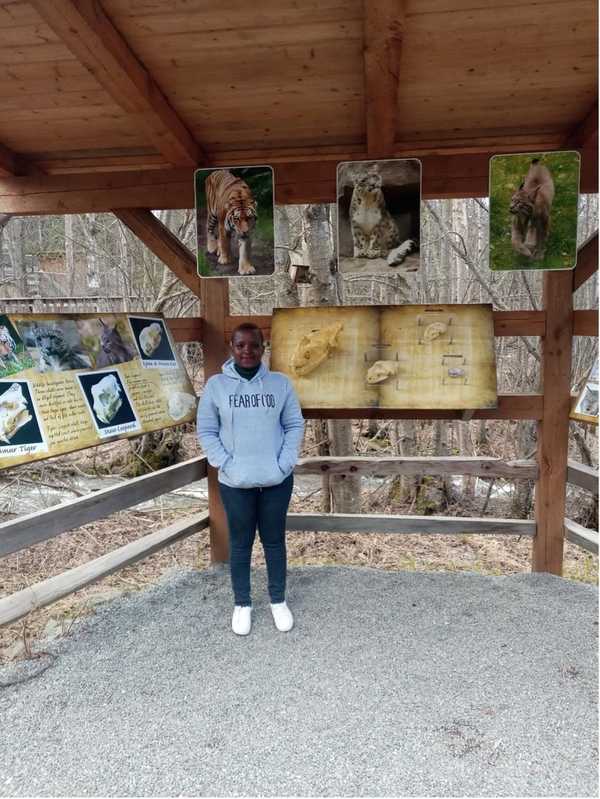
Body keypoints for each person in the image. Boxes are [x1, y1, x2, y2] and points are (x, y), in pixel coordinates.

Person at [197, 322, 304, 636]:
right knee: (241, 544)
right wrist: (224, 463)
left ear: (263, 348)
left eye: (254, 346)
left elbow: (295, 424)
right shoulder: (217, 386)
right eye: (241, 345)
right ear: (232, 347)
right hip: (235, 482)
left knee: (274, 542)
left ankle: (277, 600)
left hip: (276, 481)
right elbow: (206, 430)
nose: (247, 351)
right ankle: (242, 603)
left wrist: (284, 463)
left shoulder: (279, 384)